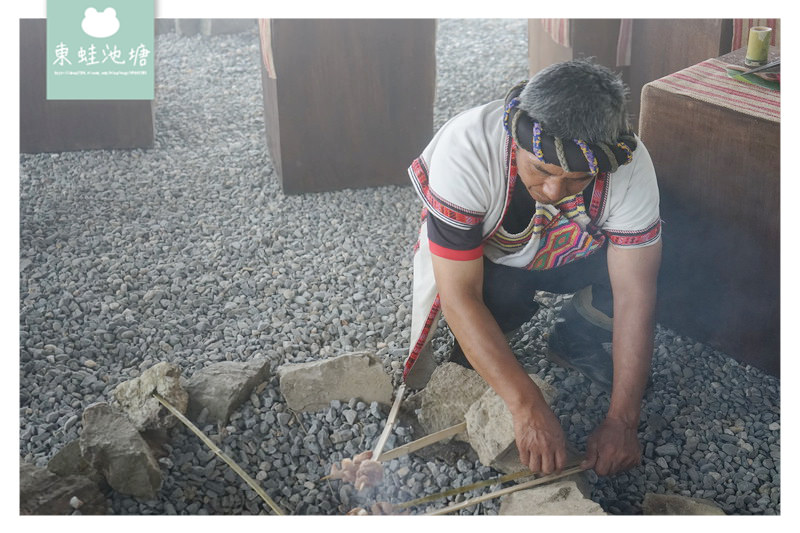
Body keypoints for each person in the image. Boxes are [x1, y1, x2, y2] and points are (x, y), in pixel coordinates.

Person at [403, 59, 662, 477]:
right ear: (515, 141)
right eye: (541, 169)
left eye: (578, 179)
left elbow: (635, 294)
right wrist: (527, 406)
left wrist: (622, 422)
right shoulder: (469, 145)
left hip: (574, 258)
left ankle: (576, 336)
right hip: (492, 269)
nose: (554, 190)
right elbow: (458, 293)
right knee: (492, 299)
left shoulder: (629, 165)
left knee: (666, 258)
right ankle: (482, 353)